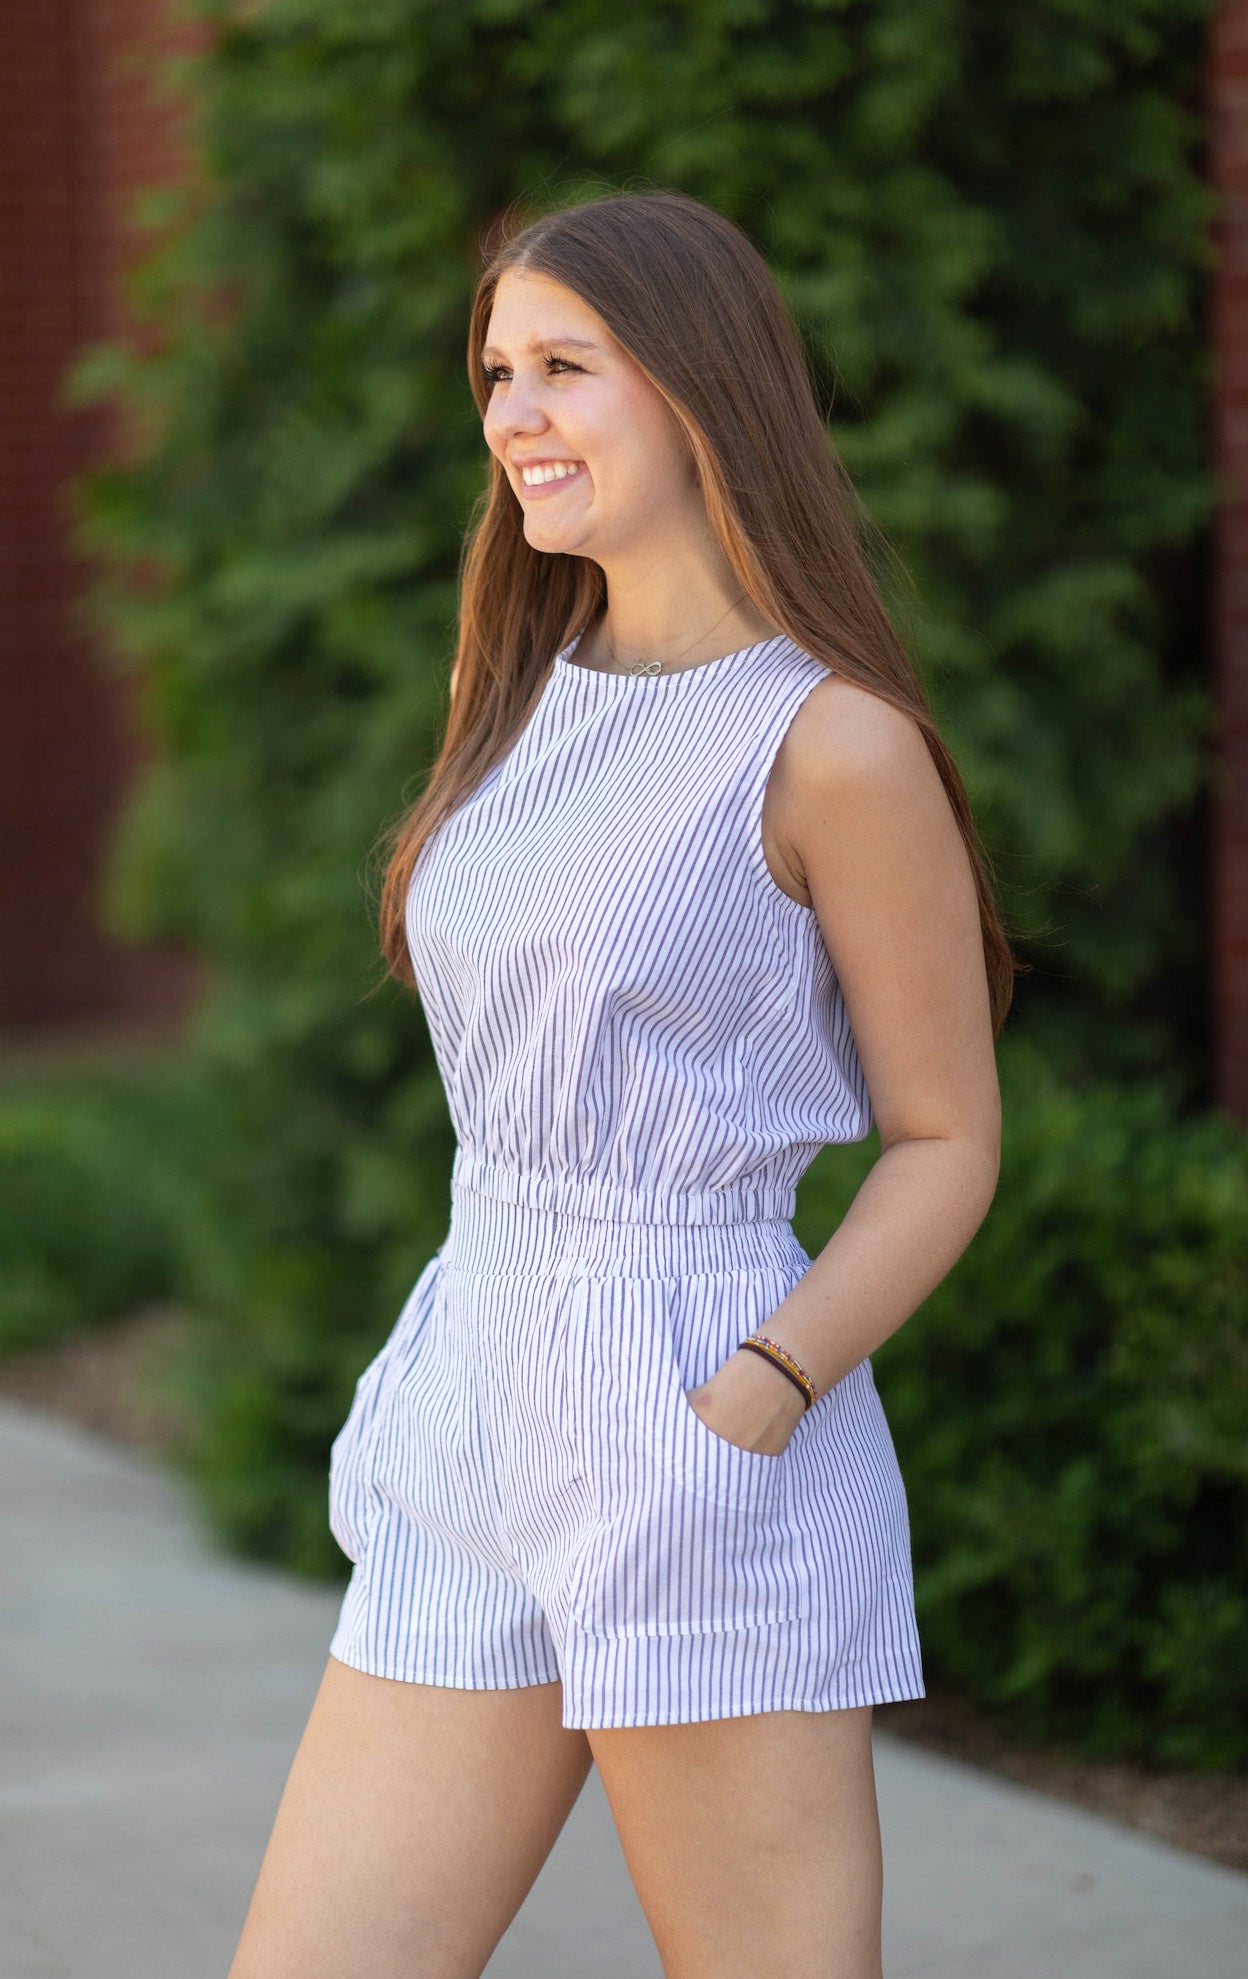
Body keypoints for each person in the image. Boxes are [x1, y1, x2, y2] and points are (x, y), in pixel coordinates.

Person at [229, 187, 1012, 1979]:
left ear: (699, 383)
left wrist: (758, 1392)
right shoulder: (516, 682)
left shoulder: (835, 744)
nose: (513, 413)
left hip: (698, 1415)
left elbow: (948, 1138)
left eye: (565, 367)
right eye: (497, 372)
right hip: (474, 1397)